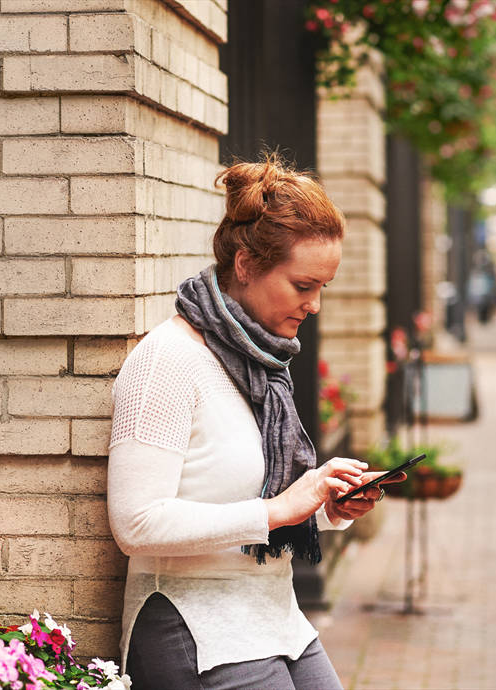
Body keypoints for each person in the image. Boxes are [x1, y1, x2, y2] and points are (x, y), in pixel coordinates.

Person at [106, 156, 400, 689]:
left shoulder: (262, 363)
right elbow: (135, 523)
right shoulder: (167, 362)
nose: (313, 305)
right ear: (245, 265)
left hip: (272, 611)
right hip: (190, 618)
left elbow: (262, 506)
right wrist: (278, 508)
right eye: (302, 285)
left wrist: (326, 507)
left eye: (323, 289)